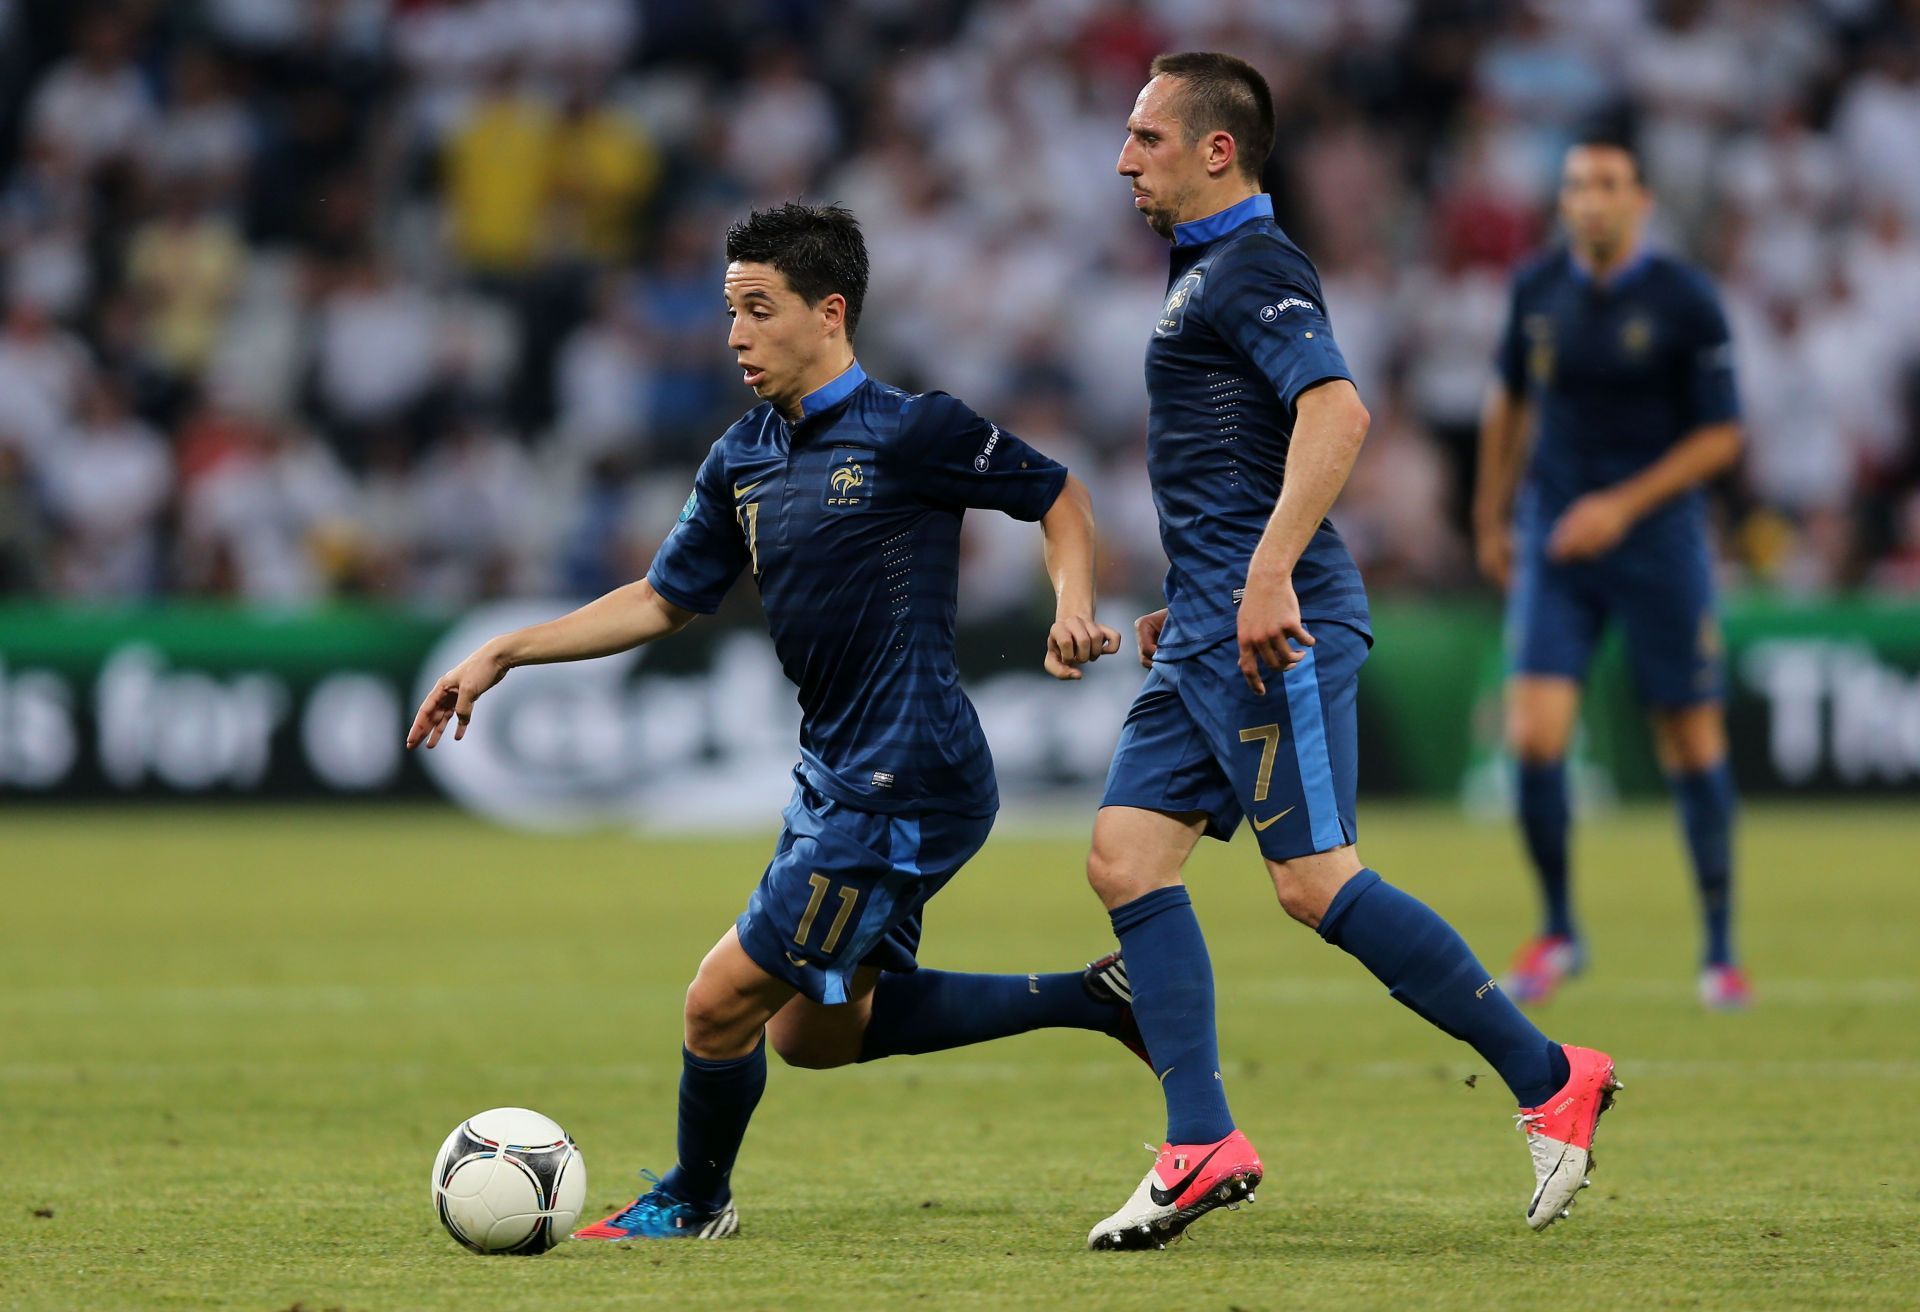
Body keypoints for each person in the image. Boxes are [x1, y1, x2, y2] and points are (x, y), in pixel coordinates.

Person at [408, 203, 1132, 1240]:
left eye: (759, 309)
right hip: (838, 769)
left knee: (717, 1002)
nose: (735, 335)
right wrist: (505, 649)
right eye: (729, 311)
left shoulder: (910, 429)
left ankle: (697, 1201)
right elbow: (663, 598)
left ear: (829, 313)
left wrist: (1072, 606)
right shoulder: (741, 455)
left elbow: (1059, 498)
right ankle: (1097, 997)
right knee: (813, 1034)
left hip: (908, 770)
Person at [1082, 53, 1619, 1251]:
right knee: (1125, 859)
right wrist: (1199, 586)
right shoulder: (1203, 274)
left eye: (1146, 138)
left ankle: (1550, 1076)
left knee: (1313, 881)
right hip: (1213, 624)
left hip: (1275, 627)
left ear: (1219, 149)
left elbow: (1339, 410)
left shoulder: (1256, 266)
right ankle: (1202, 1138)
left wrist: (1266, 573)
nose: (1125, 158)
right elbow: (1233, 457)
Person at [1474, 140, 1749, 1011]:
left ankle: (1718, 949)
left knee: (1692, 742)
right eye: (1574, 186)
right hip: (1559, 541)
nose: (1588, 201)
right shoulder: (1537, 290)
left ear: (1642, 199)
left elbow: (1721, 436)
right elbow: (1510, 400)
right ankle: (1559, 929)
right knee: (1534, 735)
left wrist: (1622, 508)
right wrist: (1490, 514)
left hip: (1657, 543)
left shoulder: (1684, 299)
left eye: (1606, 185)